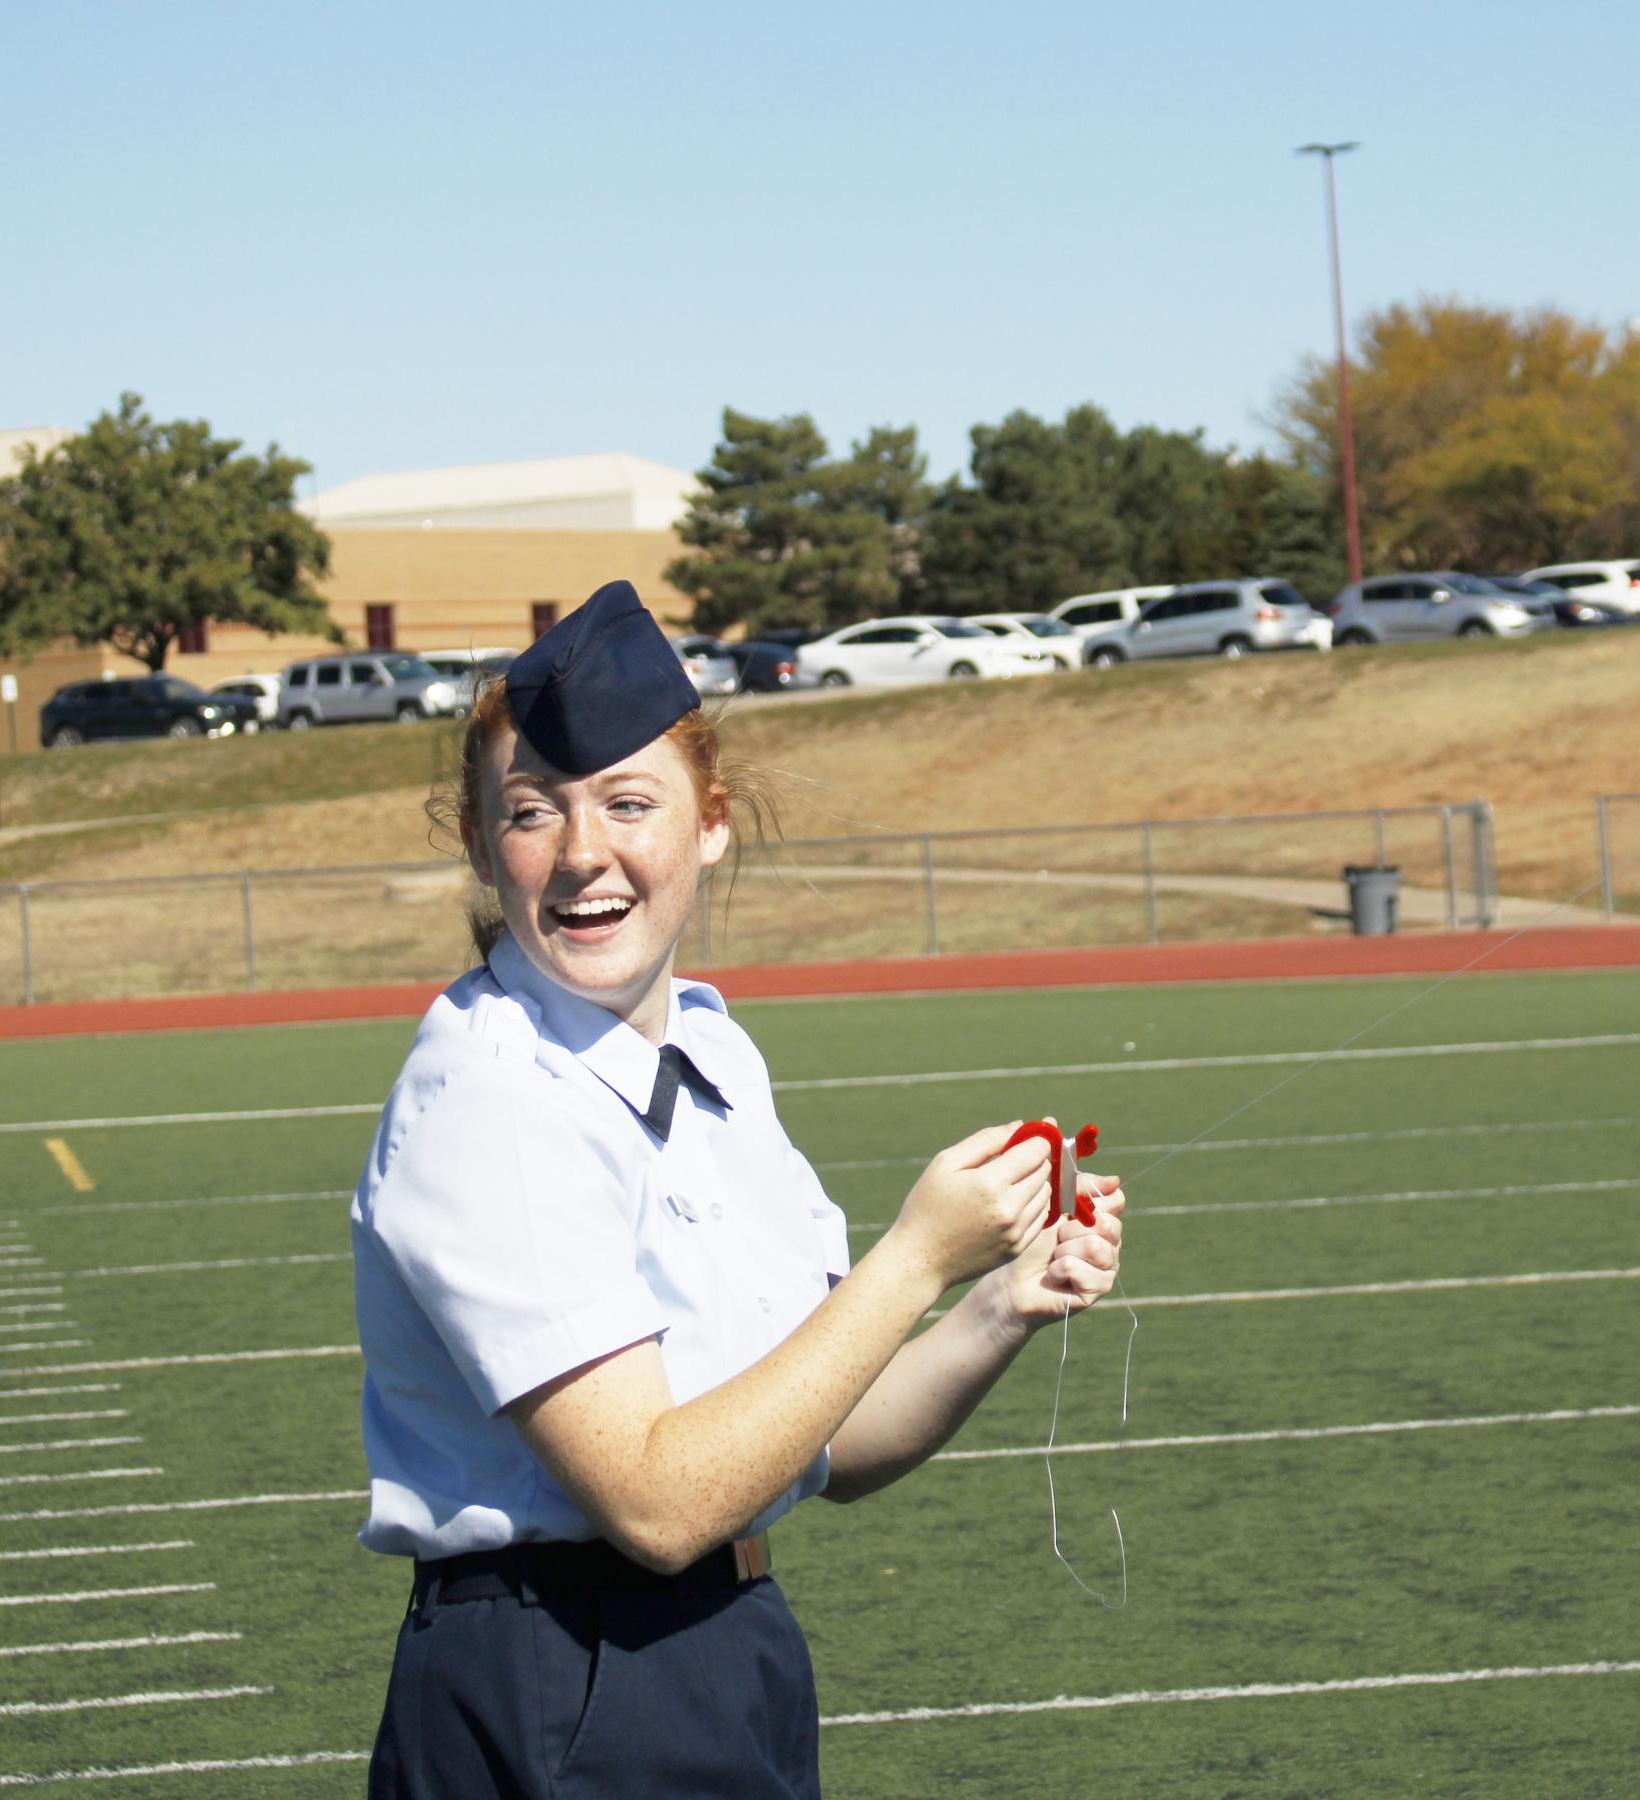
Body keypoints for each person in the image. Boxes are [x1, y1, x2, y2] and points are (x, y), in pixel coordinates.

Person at [351, 580, 1125, 1798]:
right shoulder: (493, 1095)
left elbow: (832, 1434)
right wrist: (915, 1259)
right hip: (565, 1671)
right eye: (531, 812)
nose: (585, 854)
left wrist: (1001, 1302)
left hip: (722, 1650)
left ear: (710, 824)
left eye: (628, 802)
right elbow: (658, 1503)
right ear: (475, 840)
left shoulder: (709, 1053)